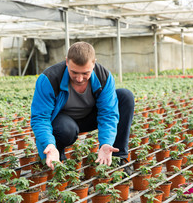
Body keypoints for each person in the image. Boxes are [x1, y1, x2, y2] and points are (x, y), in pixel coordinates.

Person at [31, 42, 134, 170]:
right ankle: (56, 157)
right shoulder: (49, 79)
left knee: (125, 96)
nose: (79, 79)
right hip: (63, 123)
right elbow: (40, 118)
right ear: (67, 62)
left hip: (89, 117)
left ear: (93, 64)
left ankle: (118, 158)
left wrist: (106, 142)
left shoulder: (104, 77)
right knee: (66, 129)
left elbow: (108, 113)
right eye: (74, 72)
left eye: (85, 73)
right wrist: (49, 144)